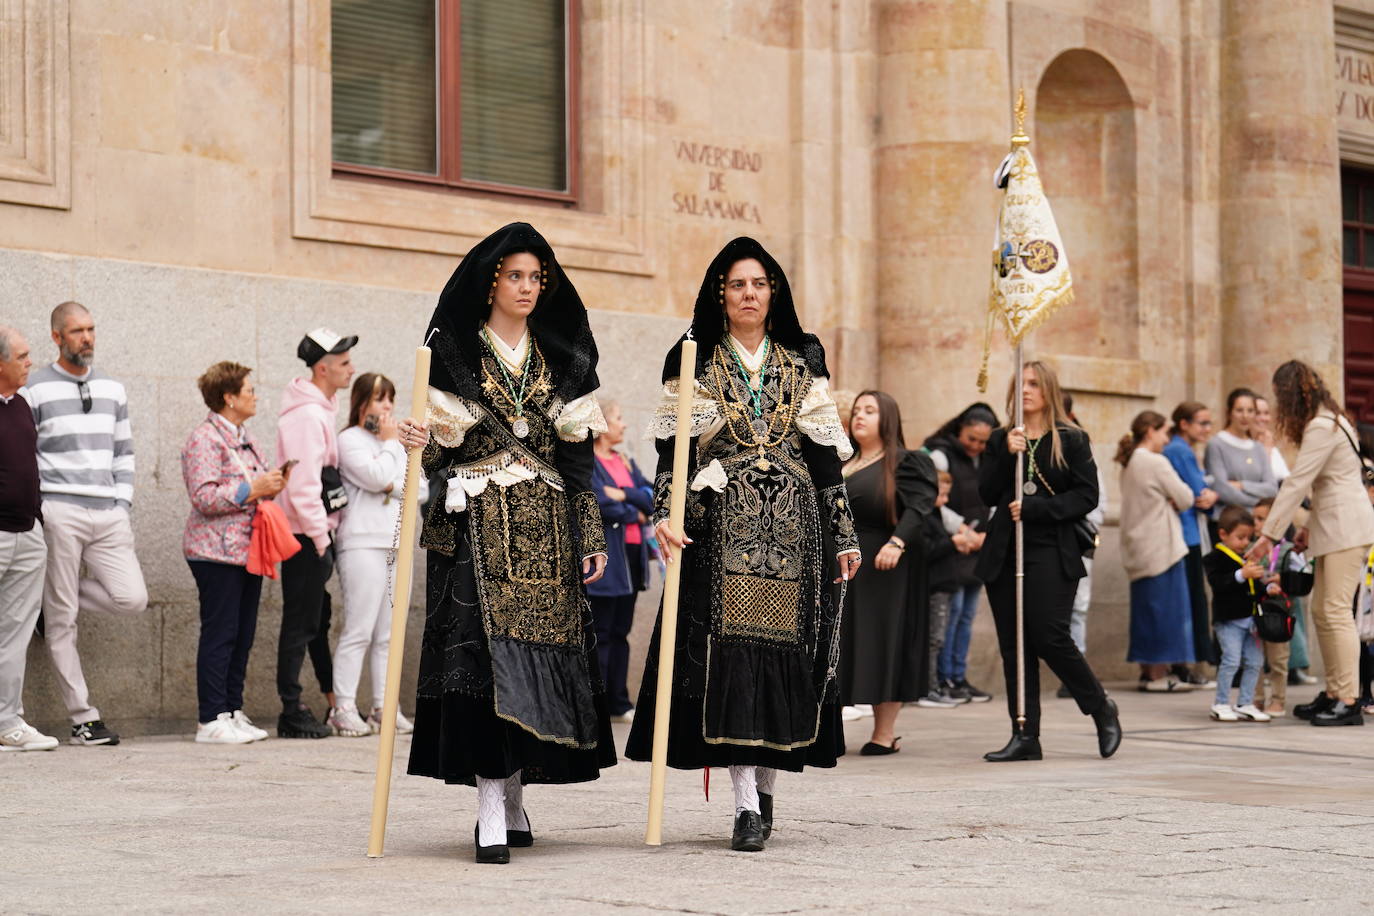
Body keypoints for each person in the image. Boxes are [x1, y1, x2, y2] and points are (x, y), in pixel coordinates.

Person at [626, 236, 860, 852]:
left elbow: (825, 460)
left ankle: (767, 781)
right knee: (729, 662)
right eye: (737, 285)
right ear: (720, 294)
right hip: (719, 534)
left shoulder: (802, 360)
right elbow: (671, 454)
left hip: (794, 536)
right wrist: (665, 514)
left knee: (782, 660)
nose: (748, 294)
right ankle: (745, 805)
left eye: (758, 284)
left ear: (773, 292)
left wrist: (843, 532)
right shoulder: (694, 360)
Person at [406, 222, 613, 865]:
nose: (526, 287)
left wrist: (590, 530)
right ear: (490, 282)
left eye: (535, 277)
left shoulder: (562, 357)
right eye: (514, 275)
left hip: (546, 531)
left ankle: (516, 799)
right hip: (478, 528)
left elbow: (578, 462)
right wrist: (418, 444)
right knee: (484, 669)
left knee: (531, 667)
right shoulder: (454, 354)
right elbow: (437, 456)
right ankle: (490, 810)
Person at [975, 360, 1119, 762]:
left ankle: (1100, 706)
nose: (1026, 390)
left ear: (1049, 390)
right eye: (1020, 383)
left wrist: (1038, 509)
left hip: (1053, 549)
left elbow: (1087, 496)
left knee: (1049, 635)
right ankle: (1025, 734)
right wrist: (1007, 455)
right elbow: (987, 493)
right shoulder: (1002, 437)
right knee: (1014, 646)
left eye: (1034, 384)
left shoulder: (1071, 438)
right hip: (1006, 549)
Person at [26, 301, 148, 746]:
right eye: (77, 331)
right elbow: (25, 453)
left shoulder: (113, 388)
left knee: (132, 598)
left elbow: (124, 451)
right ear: (57, 337)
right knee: (63, 622)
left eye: (91, 329)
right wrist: (43, 507)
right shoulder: (35, 389)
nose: (87, 338)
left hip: (108, 514)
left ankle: (48, 599)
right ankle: (83, 718)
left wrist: (122, 503)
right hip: (60, 511)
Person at [1248, 360, 1374, 727]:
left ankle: (1347, 699)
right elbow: (1326, 482)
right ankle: (1335, 692)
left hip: (1346, 528)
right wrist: (1307, 529)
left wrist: (1269, 535)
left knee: (1335, 611)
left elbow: (1298, 482)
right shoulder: (1333, 420)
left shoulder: (1322, 425)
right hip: (1334, 526)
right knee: (1323, 610)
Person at [180, 361, 284, 744]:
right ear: (229, 398)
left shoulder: (245, 436)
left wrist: (271, 484)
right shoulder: (204, 439)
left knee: (242, 634)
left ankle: (232, 710)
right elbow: (203, 496)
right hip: (215, 552)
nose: (255, 396)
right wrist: (252, 489)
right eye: (249, 390)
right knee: (221, 633)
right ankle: (210, 718)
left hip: (247, 549)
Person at [838, 390, 937, 752]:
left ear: (889, 419)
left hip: (884, 565)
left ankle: (884, 733)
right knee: (841, 642)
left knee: (884, 641)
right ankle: (830, 732)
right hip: (841, 565)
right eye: (856, 410)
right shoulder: (841, 461)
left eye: (870, 410)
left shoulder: (907, 462)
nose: (860, 416)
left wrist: (897, 542)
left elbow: (920, 506)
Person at [327, 373, 424, 738]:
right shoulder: (350, 439)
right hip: (362, 543)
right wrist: (389, 446)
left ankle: (384, 707)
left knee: (389, 633)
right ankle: (343, 707)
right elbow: (376, 476)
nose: (387, 406)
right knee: (359, 629)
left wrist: (392, 478)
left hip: (397, 543)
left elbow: (420, 488)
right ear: (361, 402)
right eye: (380, 399)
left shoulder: (398, 441)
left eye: (390, 398)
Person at [275, 327, 357, 739]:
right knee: (300, 623)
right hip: (306, 536)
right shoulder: (307, 415)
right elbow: (302, 485)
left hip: (317, 533)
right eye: (344, 363)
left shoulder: (320, 408)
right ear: (322, 369)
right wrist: (321, 540)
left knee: (315, 621)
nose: (351, 369)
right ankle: (291, 711)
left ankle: (325, 701)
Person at [0, 327, 58, 751]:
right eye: (21, 356)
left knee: (15, 632)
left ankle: (7, 721)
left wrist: (36, 521)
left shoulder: (21, 405)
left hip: (27, 533)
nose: (29, 362)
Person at [1117, 410, 1197, 692]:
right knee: (1165, 612)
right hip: (1161, 546)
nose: (1166, 439)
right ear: (1150, 430)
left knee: (1146, 611)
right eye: (1164, 432)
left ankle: (1147, 672)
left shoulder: (1130, 462)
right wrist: (1172, 500)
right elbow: (1186, 497)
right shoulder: (1155, 461)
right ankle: (1158, 675)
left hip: (1138, 545)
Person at [924, 403, 996, 704]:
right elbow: (933, 500)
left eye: (982, 441)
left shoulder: (987, 459)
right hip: (953, 544)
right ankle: (943, 678)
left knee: (966, 616)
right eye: (971, 439)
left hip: (977, 545)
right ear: (959, 430)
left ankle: (958, 675)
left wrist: (986, 534)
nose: (976, 446)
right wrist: (964, 531)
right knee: (950, 617)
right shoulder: (940, 454)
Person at [588, 399, 654, 723]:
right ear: (601, 425)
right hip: (607, 558)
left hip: (632, 559)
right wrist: (634, 510)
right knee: (600, 632)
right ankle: (598, 705)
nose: (624, 424)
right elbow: (599, 502)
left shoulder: (625, 461)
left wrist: (624, 495)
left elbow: (651, 497)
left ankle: (619, 702)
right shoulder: (589, 462)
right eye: (618, 418)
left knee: (621, 632)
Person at [1162, 402, 1220, 683]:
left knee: (1192, 599)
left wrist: (1210, 495)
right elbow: (1199, 494)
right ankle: (1186, 664)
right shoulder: (1179, 450)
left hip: (1189, 533)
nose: (1207, 429)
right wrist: (1213, 495)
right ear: (1184, 424)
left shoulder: (1183, 449)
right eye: (1202, 423)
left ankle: (1188, 664)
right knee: (1190, 601)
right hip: (1185, 535)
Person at [1204, 505, 1276, 722]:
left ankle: (1245, 702)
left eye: (1249, 538)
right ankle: (1221, 702)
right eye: (1240, 537)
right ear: (1223, 534)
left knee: (1255, 662)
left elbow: (1254, 586)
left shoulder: (1245, 556)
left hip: (1251, 619)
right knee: (1231, 661)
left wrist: (1267, 588)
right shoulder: (1215, 558)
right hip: (1229, 620)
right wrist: (1241, 575)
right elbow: (1218, 583)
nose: (1245, 543)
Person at [1061, 393, 1106, 693]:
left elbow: (1096, 496)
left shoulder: (1079, 442)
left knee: (1078, 605)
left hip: (1076, 535)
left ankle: (1076, 676)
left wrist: (1086, 527)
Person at [918, 470, 971, 708]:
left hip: (945, 584)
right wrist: (951, 543)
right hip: (934, 585)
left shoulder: (937, 513)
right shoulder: (923, 515)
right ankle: (928, 689)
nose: (945, 500)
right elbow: (927, 550)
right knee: (934, 639)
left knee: (938, 638)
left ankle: (934, 685)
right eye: (942, 494)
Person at [1204, 388, 1277, 516]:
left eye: (1250, 411)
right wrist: (1257, 503)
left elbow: (1272, 488)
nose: (1245, 416)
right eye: (1239, 410)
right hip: (1227, 520)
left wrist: (1242, 485)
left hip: (1254, 521)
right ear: (1229, 413)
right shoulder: (1216, 444)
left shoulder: (1258, 448)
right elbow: (1221, 489)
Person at [1252, 395, 1291, 483]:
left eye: (1266, 413)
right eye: (1257, 413)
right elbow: (1261, 479)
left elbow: (1285, 476)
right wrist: (1267, 450)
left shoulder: (1270, 443)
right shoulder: (1245, 446)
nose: (1263, 418)